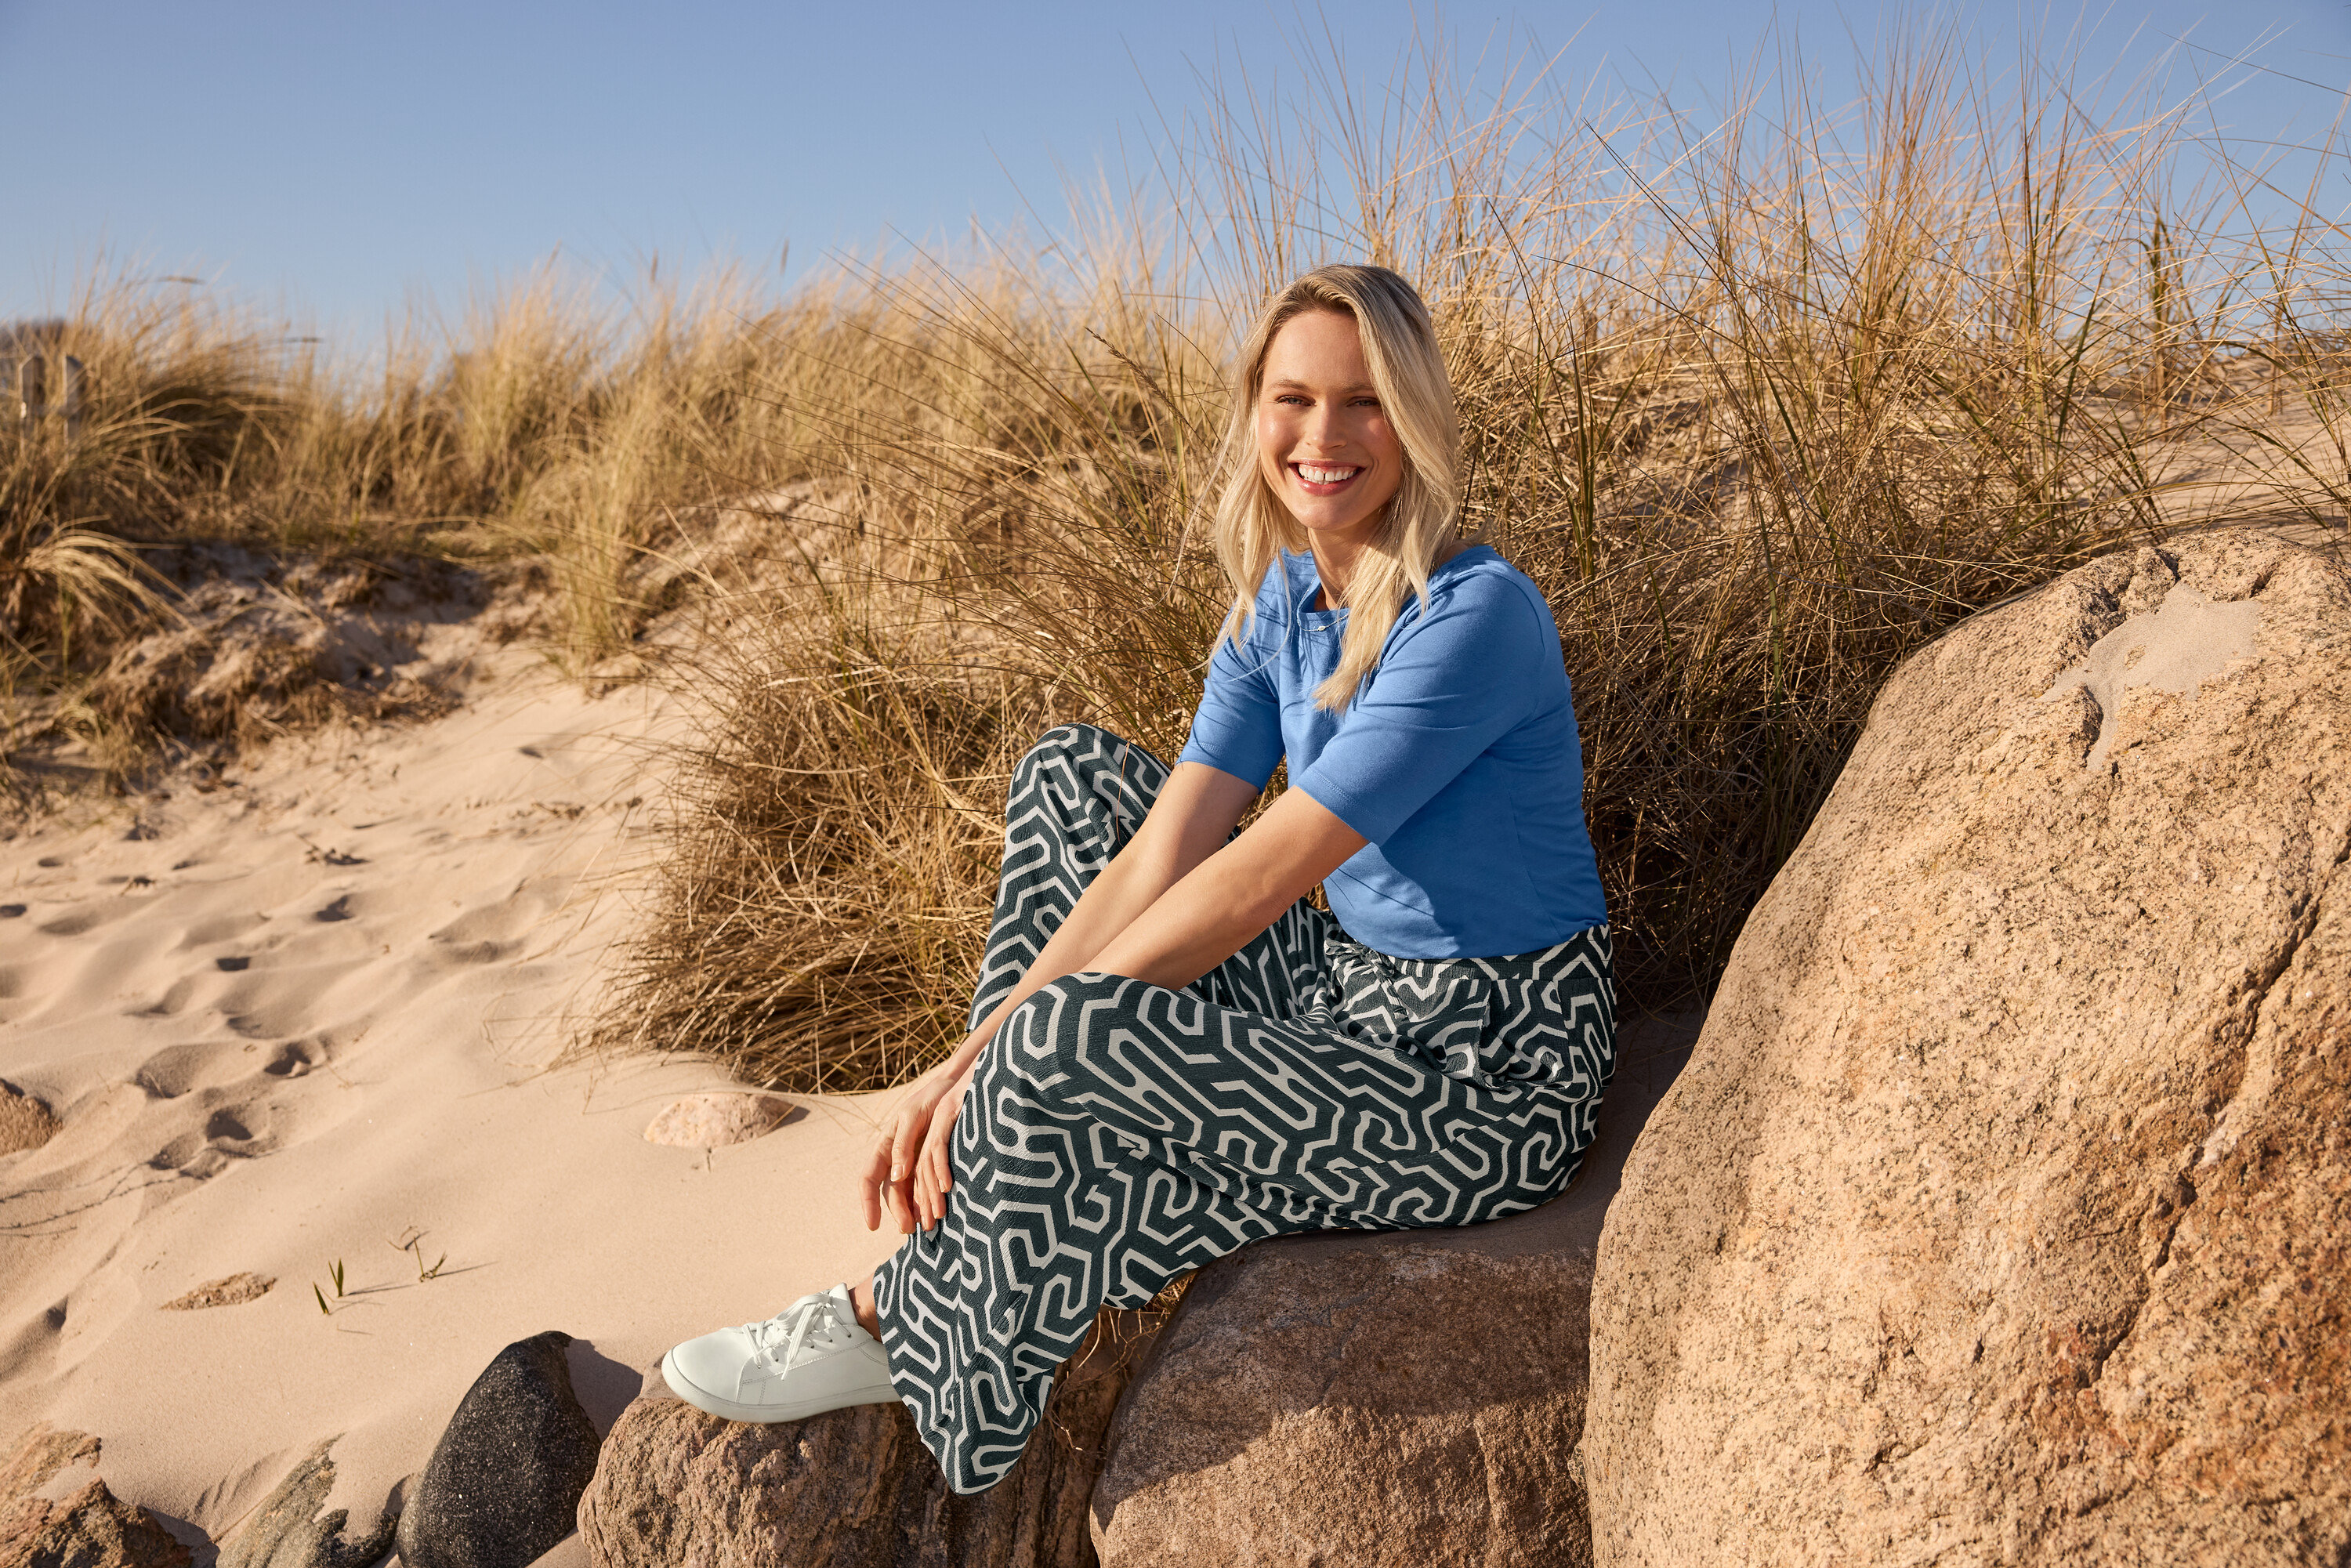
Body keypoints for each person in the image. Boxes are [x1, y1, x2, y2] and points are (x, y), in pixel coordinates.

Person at [659, 263, 1616, 1494]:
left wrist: (1014, 1047)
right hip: (1350, 993)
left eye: (1365, 401)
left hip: (1488, 1076)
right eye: (1293, 397)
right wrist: (977, 1058)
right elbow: (1169, 843)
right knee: (1072, 779)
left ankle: (907, 1319)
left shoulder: (1473, 615)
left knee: (1060, 1041)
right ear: (1254, 412)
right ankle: (995, 1180)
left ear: (1416, 420)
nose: (1324, 436)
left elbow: (1261, 875)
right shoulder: (1283, 597)